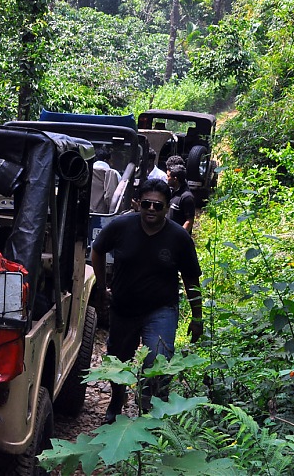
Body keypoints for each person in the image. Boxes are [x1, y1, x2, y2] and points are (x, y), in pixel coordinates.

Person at [91, 178, 202, 424]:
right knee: (118, 359)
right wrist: (101, 286)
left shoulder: (178, 237)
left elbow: (191, 278)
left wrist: (197, 317)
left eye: (158, 206)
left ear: (166, 208)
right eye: (146, 204)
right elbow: (96, 251)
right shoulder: (120, 226)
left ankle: (150, 410)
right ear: (138, 204)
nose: (151, 209)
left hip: (161, 308)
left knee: (158, 361)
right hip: (123, 307)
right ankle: (117, 399)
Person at [167, 164, 195, 234]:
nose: (166, 178)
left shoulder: (187, 197)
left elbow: (189, 221)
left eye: (168, 176)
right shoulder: (172, 192)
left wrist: (180, 237)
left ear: (175, 179)